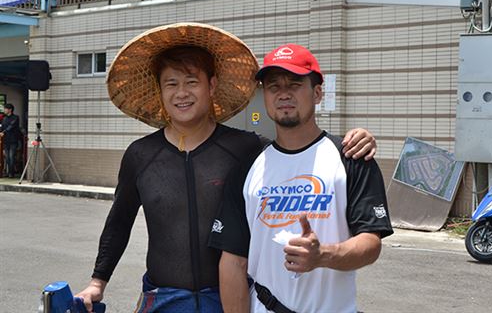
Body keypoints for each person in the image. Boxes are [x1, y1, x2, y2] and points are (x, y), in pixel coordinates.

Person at [75, 23, 377, 313]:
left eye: (192, 82)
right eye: (171, 84)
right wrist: (97, 283)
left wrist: (355, 138)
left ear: (212, 86)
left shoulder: (245, 148)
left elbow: (296, 146)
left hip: (227, 297)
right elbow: (119, 222)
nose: (181, 93)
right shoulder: (141, 155)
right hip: (162, 297)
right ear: (160, 91)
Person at [210, 44, 393, 313]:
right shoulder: (247, 167)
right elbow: (233, 261)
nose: (283, 94)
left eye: (294, 84)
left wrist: (323, 256)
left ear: (317, 93)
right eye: (273, 86)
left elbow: (371, 243)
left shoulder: (351, 158)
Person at [1, 103, 21, 177]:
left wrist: (3, 132)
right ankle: (8, 172)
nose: (4, 110)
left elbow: (11, 126)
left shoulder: (16, 117)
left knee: (11, 156)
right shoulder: (4, 118)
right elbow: (2, 127)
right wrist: (1, 131)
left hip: (13, 140)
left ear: (10, 110)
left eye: (5, 109)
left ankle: (11, 173)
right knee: (7, 157)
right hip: (6, 140)